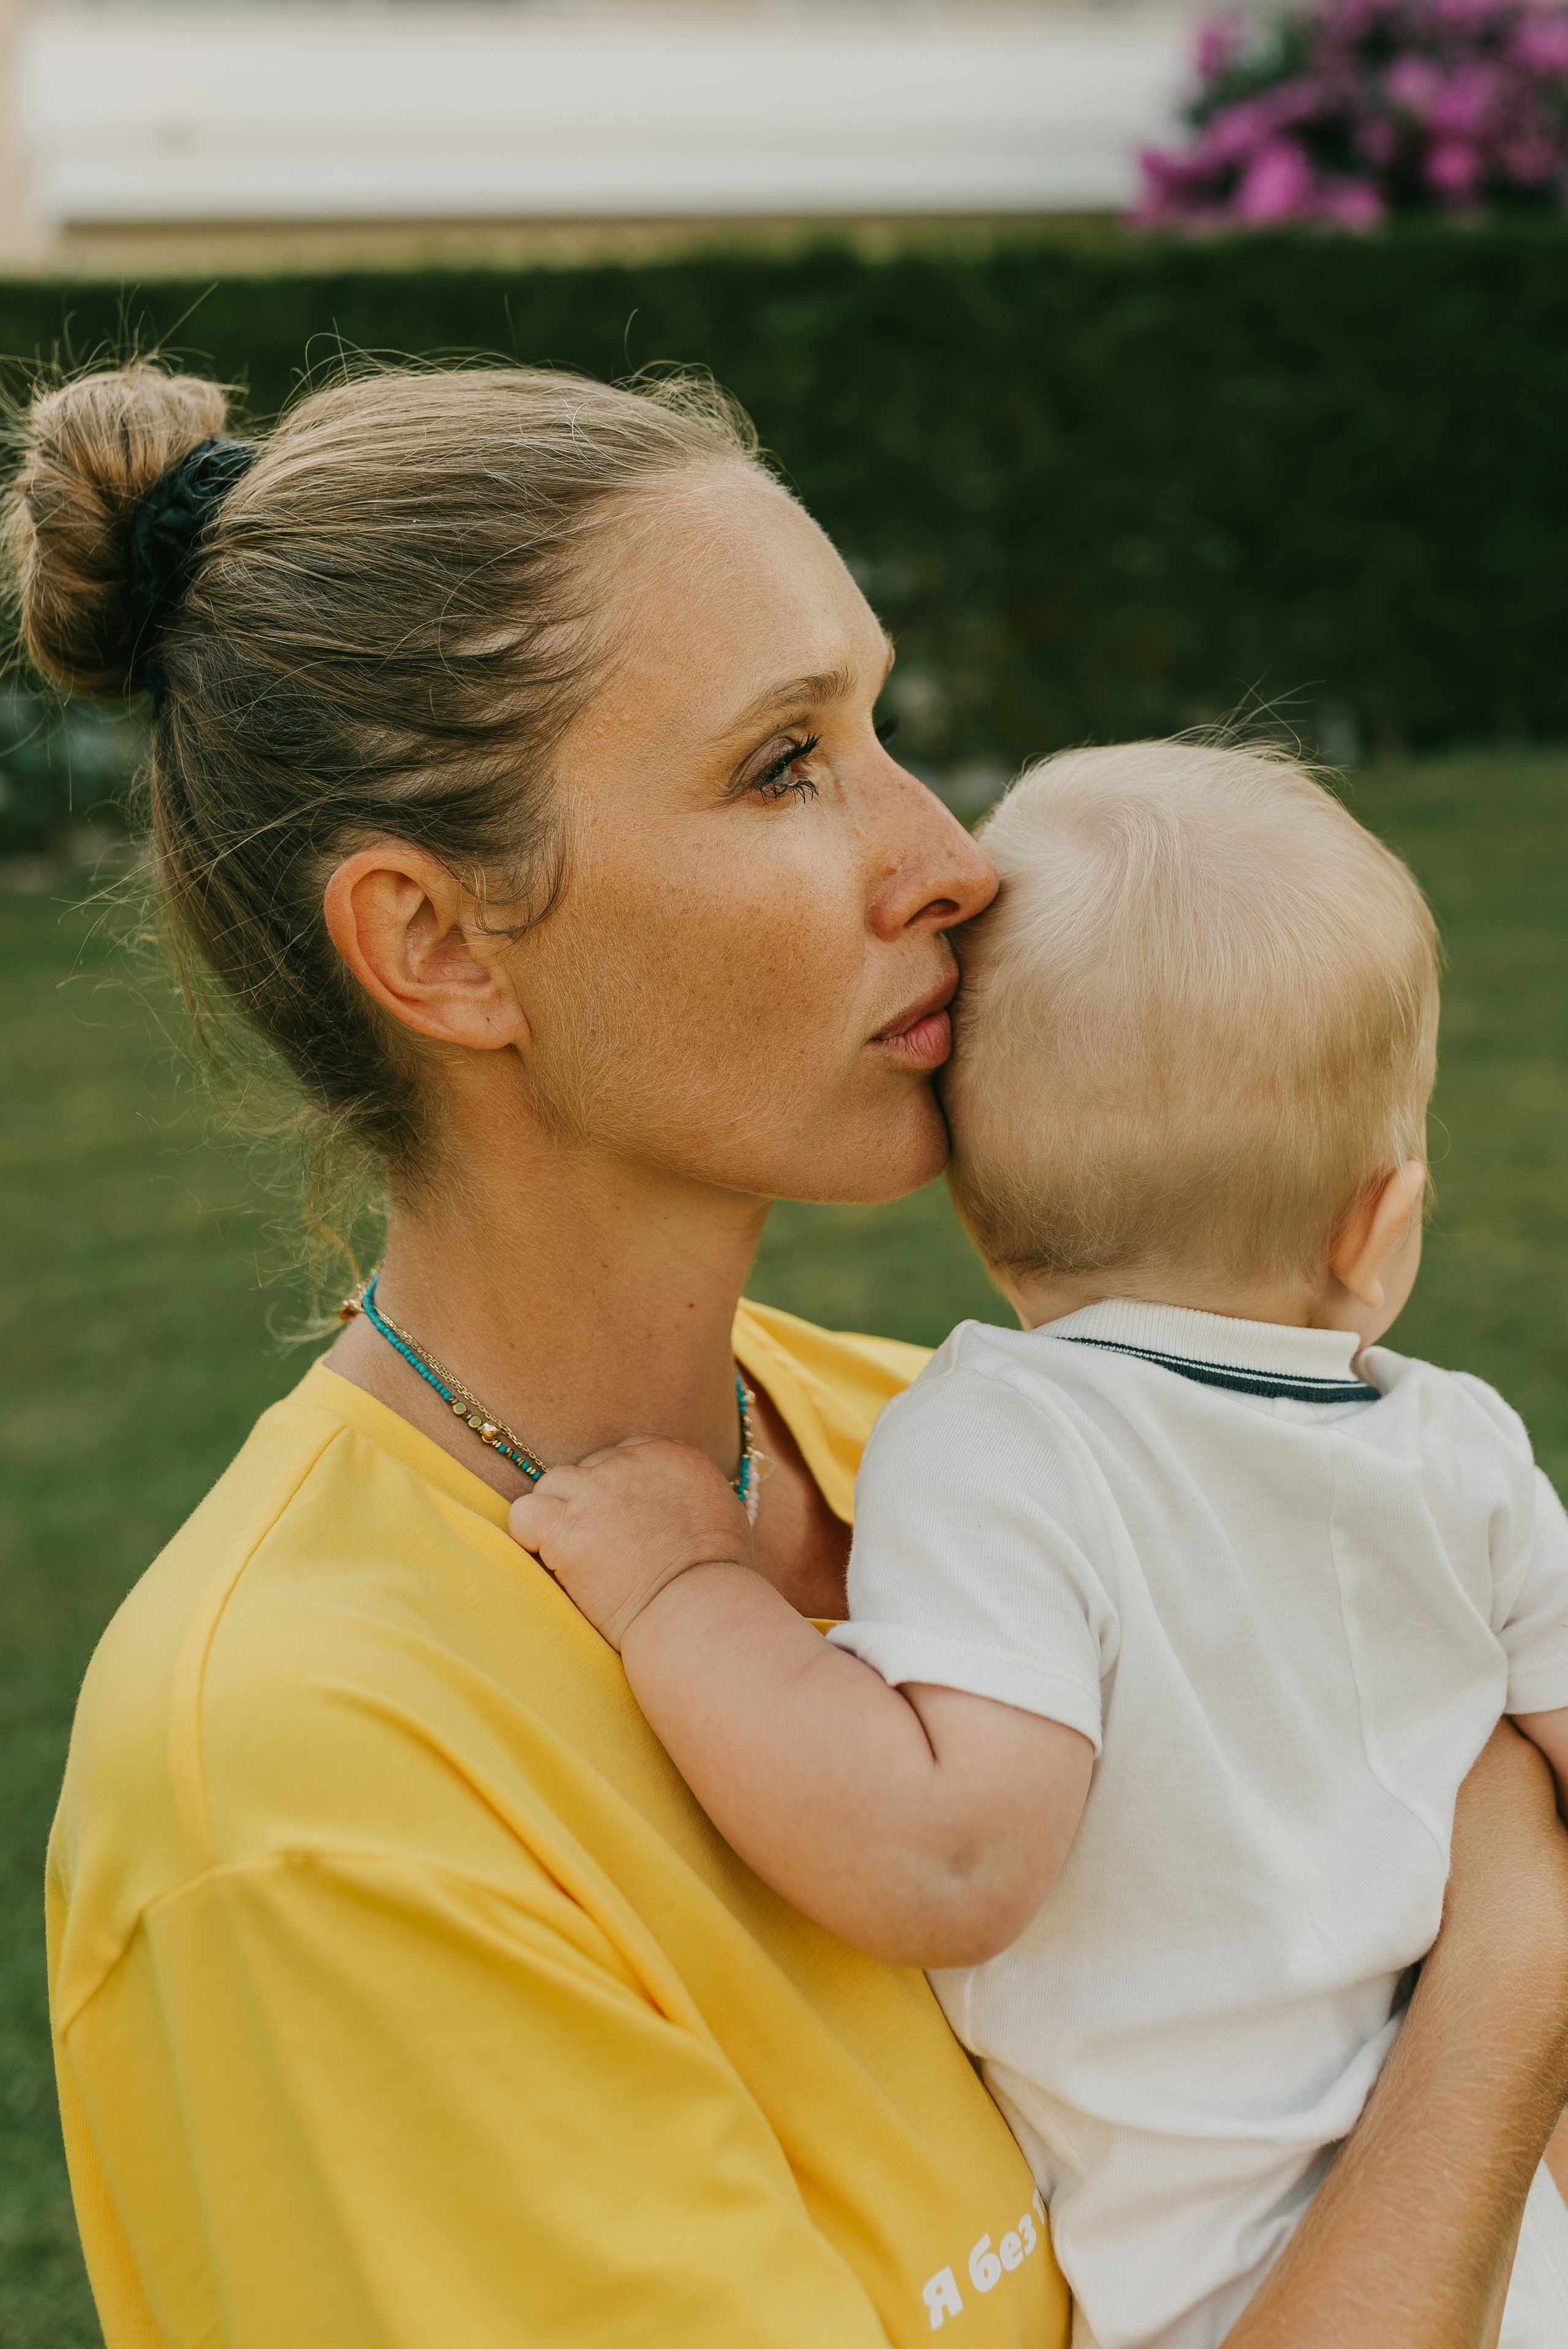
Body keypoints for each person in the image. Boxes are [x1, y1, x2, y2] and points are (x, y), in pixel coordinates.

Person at [15, 361, 1568, 2349]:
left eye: (883, 729)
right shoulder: (304, 1801)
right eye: (783, 766)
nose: (953, 858)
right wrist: (1508, 1974)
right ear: (441, 946)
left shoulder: (934, 1428)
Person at [505, 738, 1568, 2347]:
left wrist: (680, 1587)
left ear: (978, 1189)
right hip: (1508, 2237)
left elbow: (946, 1854)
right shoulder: (1461, 1445)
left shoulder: (1002, 1441)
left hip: (1226, 2283)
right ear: (1380, 1225)